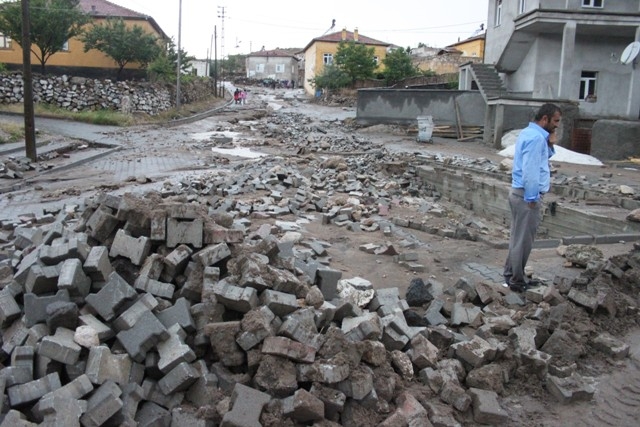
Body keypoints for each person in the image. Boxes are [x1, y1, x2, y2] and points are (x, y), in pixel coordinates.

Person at [503, 103, 562, 293]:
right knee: (523, 240)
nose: (557, 125)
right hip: (526, 195)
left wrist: (550, 141)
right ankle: (516, 280)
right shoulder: (536, 138)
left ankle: (511, 274)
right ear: (544, 119)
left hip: (519, 193)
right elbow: (530, 170)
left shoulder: (531, 134)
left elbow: (543, 159)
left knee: (517, 237)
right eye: (555, 121)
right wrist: (531, 197)